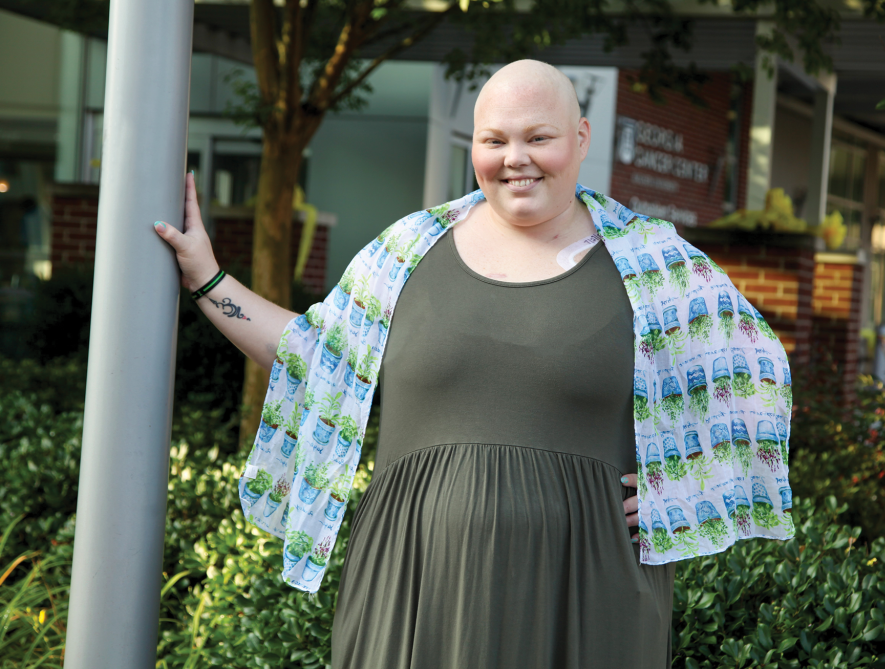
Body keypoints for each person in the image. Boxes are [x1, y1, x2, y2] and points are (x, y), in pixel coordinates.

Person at [155, 59, 794, 669]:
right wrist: (208, 279)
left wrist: (690, 490)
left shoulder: (655, 265)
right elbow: (314, 356)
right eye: (495, 139)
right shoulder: (406, 251)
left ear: (580, 138)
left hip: (590, 595)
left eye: (538, 137)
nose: (515, 158)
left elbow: (757, 374)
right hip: (411, 587)